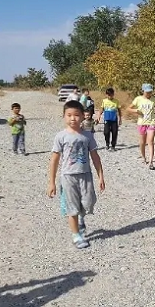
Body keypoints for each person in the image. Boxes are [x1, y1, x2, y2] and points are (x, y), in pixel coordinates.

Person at [47, 100, 105, 249]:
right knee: (71, 206)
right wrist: (51, 182)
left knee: (89, 201)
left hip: (86, 175)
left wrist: (101, 177)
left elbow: (95, 157)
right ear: (64, 116)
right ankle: (76, 235)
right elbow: (54, 160)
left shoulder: (87, 136)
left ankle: (81, 218)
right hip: (68, 176)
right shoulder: (61, 136)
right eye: (69, 115)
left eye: (77, 115)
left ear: (83, 116)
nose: (73, 118)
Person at [129, 84, 155, 170]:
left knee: (150, 141)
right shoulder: (138, 99)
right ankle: (144, 157)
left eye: (150, 92)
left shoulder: (153, 99)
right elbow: (128, 108)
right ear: (143, 91)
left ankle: (151, 162)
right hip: (141, 123)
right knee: (142, 143)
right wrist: (136, 110)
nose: (149, 93)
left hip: (152, 122)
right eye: (147, 92)